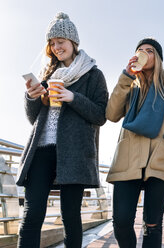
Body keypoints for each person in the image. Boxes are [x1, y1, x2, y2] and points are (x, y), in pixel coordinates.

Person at [17, 12, 108, 247]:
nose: (57, 47)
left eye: (61, 42)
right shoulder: (47, 75)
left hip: (74, 154)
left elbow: (100, 115)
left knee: (70, 216)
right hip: (41, 150)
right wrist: (31, 97)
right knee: (31, 214)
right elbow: (32, 118)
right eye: (52, 44)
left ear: (73, 42)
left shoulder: (94, 75)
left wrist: (73, 97)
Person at [106, 38, 164, 248]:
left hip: (160, 159)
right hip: (128, 159)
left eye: (149, 51)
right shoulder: (130, 83)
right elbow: (111, 114)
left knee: (152, 224)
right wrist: (125, 78)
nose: (144, 53)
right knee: (121, 222)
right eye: (140, 50)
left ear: (158, 58)